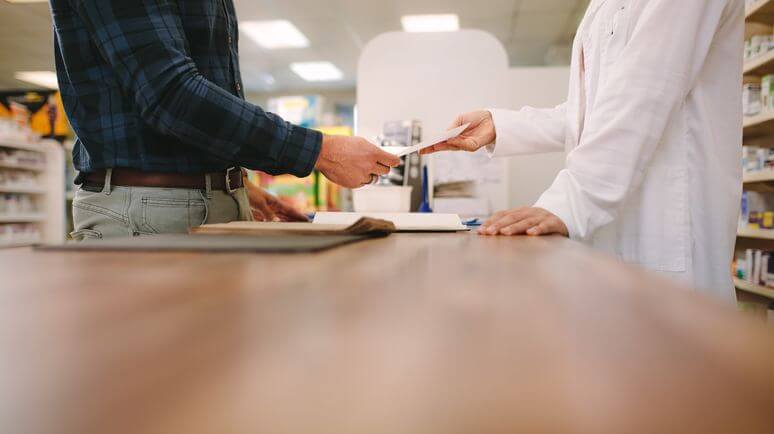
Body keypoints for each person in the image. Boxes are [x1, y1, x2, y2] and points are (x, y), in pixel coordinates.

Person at [422, 0, 743, 301]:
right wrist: (500, 125)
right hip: (616, 244)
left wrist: (569, 204)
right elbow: (594, 110)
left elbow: (646, 92)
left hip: (670, 244)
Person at [48, 0, 400, 239]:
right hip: (147, 213)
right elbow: (169, 95)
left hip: (195, 202)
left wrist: (228, 183)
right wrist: (321, 150)